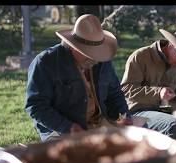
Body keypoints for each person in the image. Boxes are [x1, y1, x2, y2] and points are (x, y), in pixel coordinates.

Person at [25, 14, 132, 142]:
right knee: (74, 155)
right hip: (61, 131)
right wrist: (69, 127)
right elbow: (36, 106)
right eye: (88, 52)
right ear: (72, 46)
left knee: (137, 144)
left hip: (101, 124)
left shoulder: (102, 60)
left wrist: (125, 116)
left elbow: (115, 94)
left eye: (96, 51)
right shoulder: (45, 63)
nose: (94, 58)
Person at [121, 27, 176, 139]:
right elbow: (126, 89)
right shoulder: (141, 56)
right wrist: (158, 93)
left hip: (165, 111)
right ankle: (166, 155)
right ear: (171, 45)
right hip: (137, 112)